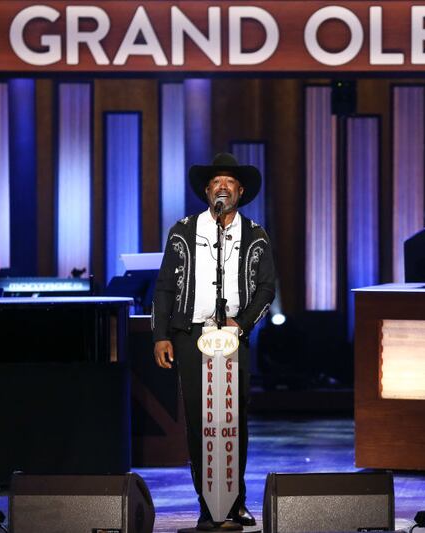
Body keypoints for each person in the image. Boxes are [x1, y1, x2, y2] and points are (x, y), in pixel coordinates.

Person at [152, 152, 275, 530]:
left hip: (233, 336)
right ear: (207, 191)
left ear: (240, 191)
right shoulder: (183, 230)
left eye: (229, 182)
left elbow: (267, 288)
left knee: (233, 421)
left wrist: (242, 323)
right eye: (216, 182)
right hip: (190, 336)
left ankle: (235, 501)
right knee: (200, 421)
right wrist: (161, 336)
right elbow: (166, 287)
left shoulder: (255, 234)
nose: (223, 187)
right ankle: (207, 504)